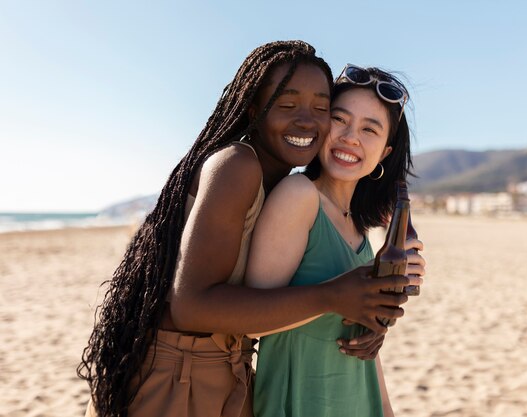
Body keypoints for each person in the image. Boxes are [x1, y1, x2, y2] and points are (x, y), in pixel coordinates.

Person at [78, 42, 411, 417]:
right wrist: (333, 297)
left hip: (226, 369)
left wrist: (368, 311)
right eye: (287, 105)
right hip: (176, 376)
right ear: (254, 108)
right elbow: (190, 306)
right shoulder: (238, 164)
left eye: (320, 108)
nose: (306, 121)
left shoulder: (279, 182)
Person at [246, 64, 425, 417]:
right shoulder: (299, 195)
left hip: (359, 398)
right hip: (302, 399)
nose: (350, 137)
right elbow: (251, 321)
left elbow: (362, 346)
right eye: (340, 119)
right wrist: (337, 297)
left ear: (385, 154)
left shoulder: (359, 227)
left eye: (369, 129)